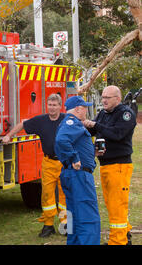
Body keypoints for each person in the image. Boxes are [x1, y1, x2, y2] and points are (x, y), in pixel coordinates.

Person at [3, 93, 67, 238]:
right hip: (49, 163)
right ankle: (48, 225)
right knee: (47, 195)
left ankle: (65, 224)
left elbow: (80, 128)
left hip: (65, 163)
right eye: (50, 105)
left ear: (60, 106)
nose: (52, 108)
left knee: (65, 195)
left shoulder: (66, 119)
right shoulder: (41, 121)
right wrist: (9, 135)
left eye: (55, 105)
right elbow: (23, 123)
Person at [83, 85, 137, 245]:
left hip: (119, 165)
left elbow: (117, 134)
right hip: (106, 165)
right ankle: (124, 233)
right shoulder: (103, 114)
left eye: (107, 97)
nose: (104, 100)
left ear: (118, 99)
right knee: (111, 203)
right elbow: (93, 130)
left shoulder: (125, 114)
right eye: (103, 97)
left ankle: (118, 241)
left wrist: (95, 125)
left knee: (117, 204)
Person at [55, 95, 101, 245]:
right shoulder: (72, 122)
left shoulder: (69, 123)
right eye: (85, 107)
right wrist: (75, 158)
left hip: (72, 174)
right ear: (78, 109)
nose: (86, 110)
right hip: (79, 176)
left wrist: (91, 153)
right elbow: (62, 140)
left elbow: (70, 143)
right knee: (87, 216)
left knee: (74, 215)